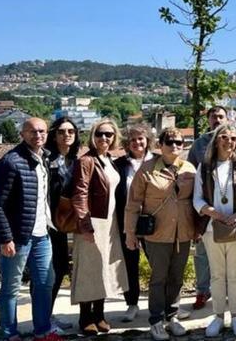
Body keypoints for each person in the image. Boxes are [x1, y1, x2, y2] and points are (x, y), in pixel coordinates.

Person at [0, 118, 61, 341]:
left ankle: (42, 330)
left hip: (42, 235)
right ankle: (10, 334)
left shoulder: (44, 158)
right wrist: (5, 238)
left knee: (45, 284)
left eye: (41, 131)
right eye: (32, 131)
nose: (37, 135)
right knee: (11, 288)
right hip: (17, 237)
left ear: (47, 134)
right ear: (22, 134)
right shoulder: (10, 162)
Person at [125, 127, 198, 341]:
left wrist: (197, 229)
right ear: (160, 145)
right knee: (159, 278)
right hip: (158, 232)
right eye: (170, 142)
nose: (174, 146)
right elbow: (133, 204)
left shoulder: (190, 169)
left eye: (179, 142)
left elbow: (197, 201)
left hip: (183, 232)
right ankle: (156, 320)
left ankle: (172, 315)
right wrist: (130, 233)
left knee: (176, 276)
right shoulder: (147, 170)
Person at [193, 124, 236, 338]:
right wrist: (218, 215)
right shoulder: (205, 167)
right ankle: (218, 316)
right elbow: (197, 199)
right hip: (213, 229)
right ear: (216, 140)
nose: (229, 142)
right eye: (224, 137)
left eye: (232, 138)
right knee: (218, 275)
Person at [70, 118, 129, 336]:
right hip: (92, 222)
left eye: (108, 135)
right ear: (92, 136)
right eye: (99, 134)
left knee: (103, 269)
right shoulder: (86, 161)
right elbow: (80, 193)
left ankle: (99, 314)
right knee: (88, 270)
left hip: (110, 222)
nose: (103, 138)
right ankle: (85, 317)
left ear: (115, 138)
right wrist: (85, 225)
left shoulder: (109, 159)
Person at [113, 123, 155, 323]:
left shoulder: (158, 161)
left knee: (158, 264)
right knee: (130, 264)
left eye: (141, 138)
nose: (137, 143)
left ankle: (161, 304)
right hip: (127, 221)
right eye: (133, 140)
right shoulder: (119, 164)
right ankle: (132, 304)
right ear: (126, 144)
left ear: (147, 141)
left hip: (154, 222)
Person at [187, 105, 227, 311]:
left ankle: (227, 291)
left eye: (221, 116)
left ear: (227, 119)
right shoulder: (198, 146)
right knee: (202, 253)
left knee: (230, 252)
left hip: (230, 210)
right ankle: (203, 291)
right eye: (214, 117)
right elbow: (190, 178)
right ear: (208, 120)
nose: (217, 120)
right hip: (204, 209)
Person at [44, 116, 80, 333]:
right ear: (54, 135)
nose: (66, 135)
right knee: (51, 272)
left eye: (71, 131)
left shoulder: (74, 162)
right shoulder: (47, 161)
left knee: (59, 269)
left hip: (65, 224)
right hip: (48, 225)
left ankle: (47, 316)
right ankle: (44, 320)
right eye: (61, 131)